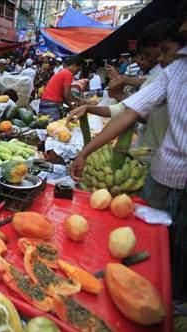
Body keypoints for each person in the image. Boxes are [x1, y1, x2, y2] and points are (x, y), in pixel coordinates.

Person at [70, 16, 186, 301]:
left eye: (163, 53)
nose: (162, 60)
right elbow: (128, 109)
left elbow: (129, 107)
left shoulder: (169, 69)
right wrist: (86, 149)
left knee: (176, 249)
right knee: (157, 241)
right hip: (163, 172)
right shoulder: (173, 70)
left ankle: (173, 298)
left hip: (164, 168)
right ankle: (156, 291)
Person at [68, 19, 181, 159]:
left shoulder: (166, 76)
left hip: (161, 160)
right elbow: (125, 109)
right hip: (150, 157)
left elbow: (130, 113)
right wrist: (89, 108)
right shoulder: (161, 77)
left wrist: (84, 153)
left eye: (165, 50)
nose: (141, 61)